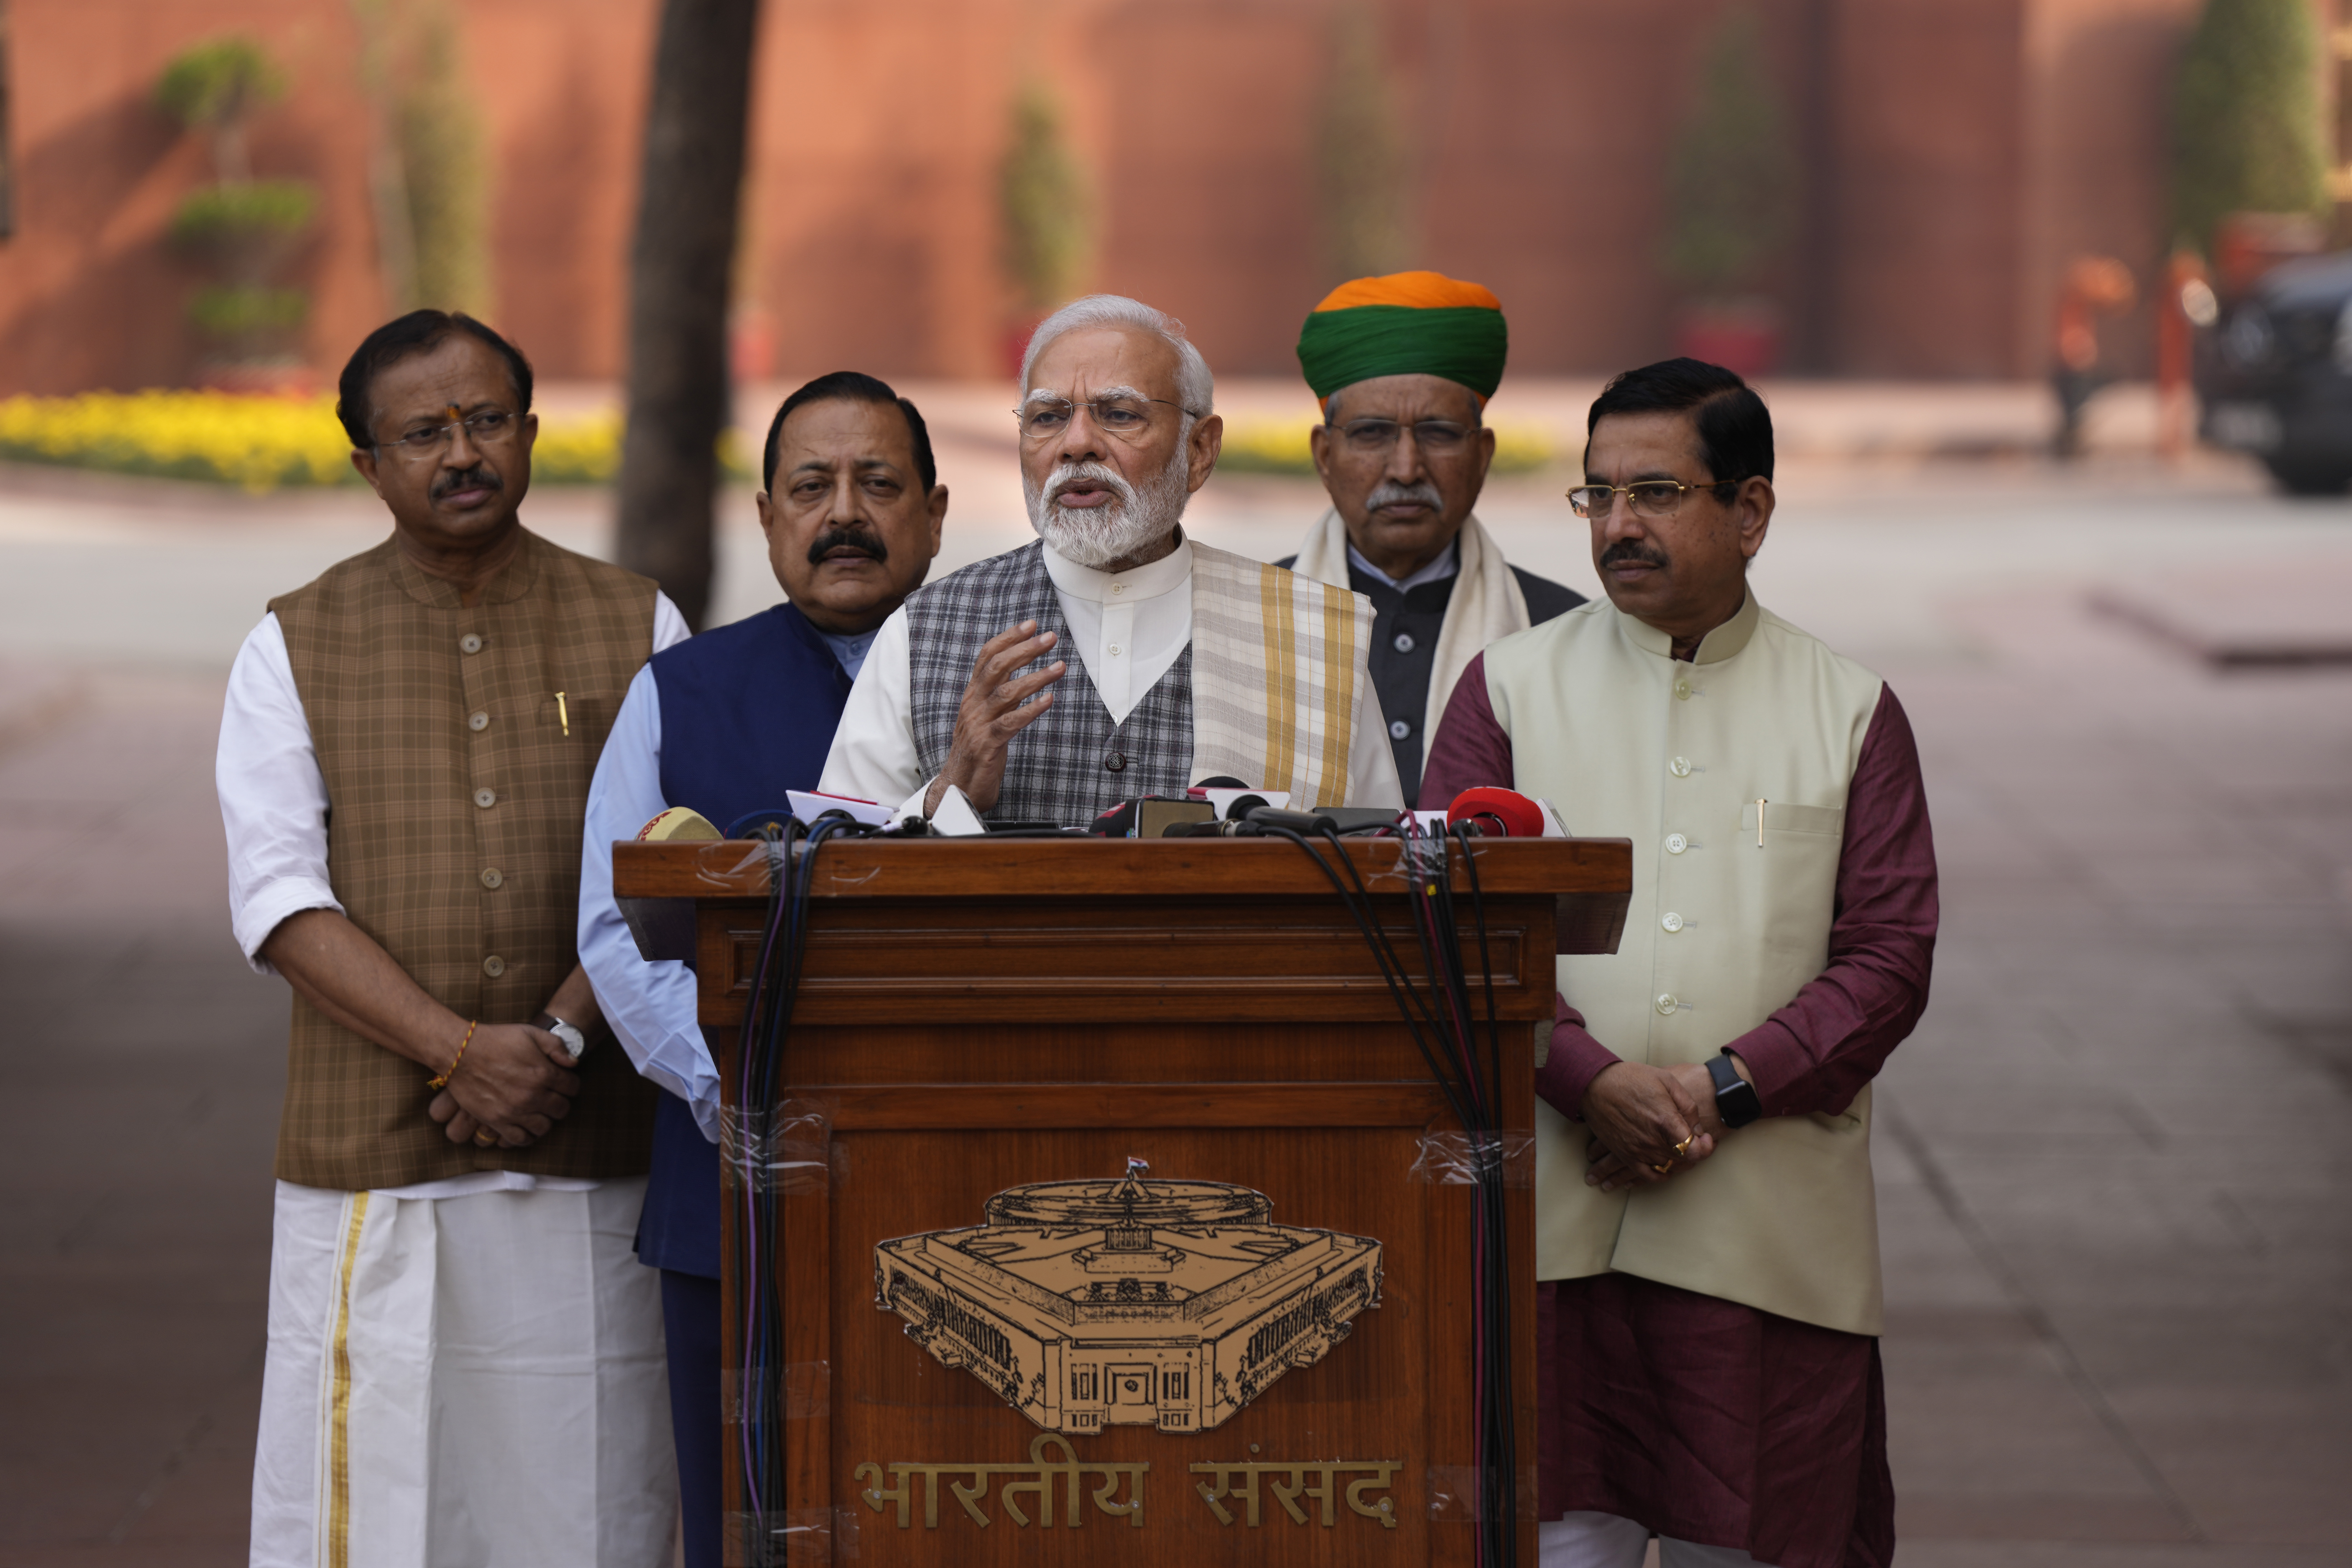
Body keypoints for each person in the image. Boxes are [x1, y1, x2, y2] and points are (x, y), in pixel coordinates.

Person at [1420, 359, 1937, 1568]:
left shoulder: (1851, 708)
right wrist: (1589, 1077)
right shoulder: (1507, 687)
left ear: (1750, 511)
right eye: (1595, 496)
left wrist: (1719, 1088)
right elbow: (1447, 929)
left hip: (1763, 1241)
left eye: (1654, 493)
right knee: (1559, 1544)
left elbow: (1889, 955)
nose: (1617, 527)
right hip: (1549, 1229)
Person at [220, 310, 687, 1565]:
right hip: (375, 1161)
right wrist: (456, 1050)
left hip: (591, 1153)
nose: (461, 452)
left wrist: (547, 1040)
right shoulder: (292, 642)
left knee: (590, 1500)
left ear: (532, 433)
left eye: (486, 421)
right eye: (423, 433)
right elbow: (277, 899)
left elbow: (675, 873)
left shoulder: (637, 622)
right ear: (369, 464)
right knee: (376, 1506)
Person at [577, 371, 947, 1568]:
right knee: (751, 1519)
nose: (846, 513)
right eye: (813, 487)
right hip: (730, 1188)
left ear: (935, 513)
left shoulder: (1009, 684)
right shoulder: (680, 693)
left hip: (964, 1191)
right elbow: (615, 932)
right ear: (768, 517)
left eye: (879, 485)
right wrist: (744, 1088)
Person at [820, 293, 1404, 821]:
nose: (1076, 444)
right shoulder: (924, 630)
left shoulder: (1311, 637)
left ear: (1199, 451)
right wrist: (949, 794)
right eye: (1048, 417)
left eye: (1119, 414)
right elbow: (835, 870)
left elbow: (1384, 877)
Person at [1279, 270, 1583, 804]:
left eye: (1438, 435)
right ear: (1324, 456)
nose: (1405, 468)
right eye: (1371, 433)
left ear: (1482, 455)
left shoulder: (1564, 633)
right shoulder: (1248, 617)